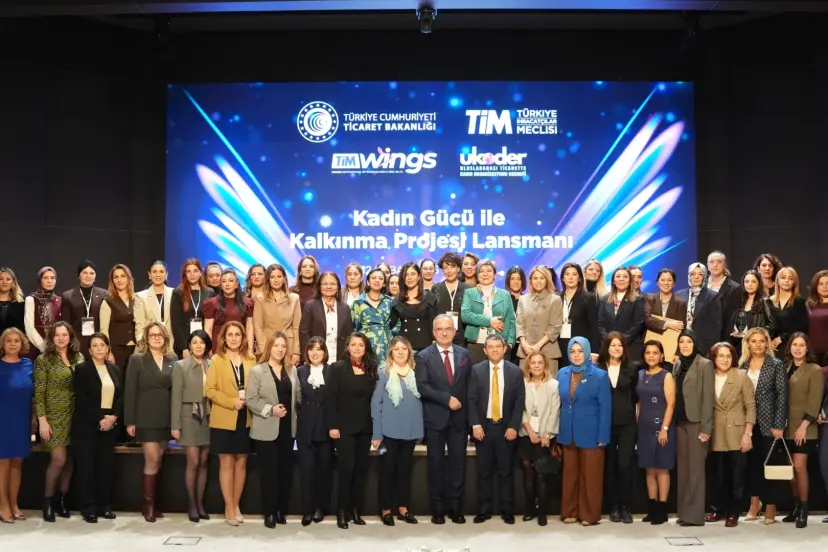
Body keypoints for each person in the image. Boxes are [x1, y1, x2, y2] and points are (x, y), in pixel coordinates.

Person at [415, 314, 472, 525]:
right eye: (440, 329)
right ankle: (437, 509)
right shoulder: (423, 356)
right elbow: (422, 386)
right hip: (435, 419)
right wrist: (446, 399)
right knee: (436, 465)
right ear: (434, 332)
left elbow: (469, 385)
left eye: (448, 328)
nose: (444, 332)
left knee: (458, 465)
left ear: (454, 331)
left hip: (459, 419)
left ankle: (455, 508)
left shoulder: (464, 354)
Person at [467, 334, 525, 524]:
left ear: (504, 348)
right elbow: (471, 400)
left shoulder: (515, 371)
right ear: (485, 350)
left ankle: (507, 511)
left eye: (497, 346)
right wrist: (475, 424)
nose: (494, 350)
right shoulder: (476, 370)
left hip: (506, 428)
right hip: (483, 428)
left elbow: (519, 401)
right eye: (490, 347)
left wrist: (514, 426)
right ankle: (483, 510)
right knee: (483, 473)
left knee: (506, 472)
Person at [124, 321, 177, 523]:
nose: (156, 338)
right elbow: (130, 391)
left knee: (160, 458)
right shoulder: (137, 359)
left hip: (165, 416)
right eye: (153, 335)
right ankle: (148, 505)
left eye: (159, 335)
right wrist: (130, 421)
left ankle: (155, 503)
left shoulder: (173, 359)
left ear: (165, 338)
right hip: (145, 417)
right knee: (152, 459)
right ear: (146, 338)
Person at [247, 331, 300, 528]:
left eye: (283, 346)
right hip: (266, 430)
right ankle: (269, 512)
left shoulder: (292, 370)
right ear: (269, 347)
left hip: (287, 429)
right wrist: (271, 410)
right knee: (269, 474)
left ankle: (280, 511)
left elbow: (298, 396)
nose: (280, 349)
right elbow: (251, 399)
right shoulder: (257, 371)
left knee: (285, 473)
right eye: (276, 345)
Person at [557, 336, 611, 526]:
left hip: (592, 434)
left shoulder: (600, 375)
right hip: (568, 432)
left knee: (590, 477)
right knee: (570, 476)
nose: (576, 355)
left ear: (587, 352)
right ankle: (570, 511)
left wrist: (603, 436)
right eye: (573, 351)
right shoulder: (562, 373)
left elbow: (605, 409)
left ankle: (589, 514)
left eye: (580, 351)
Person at [205, 321, 255, 526]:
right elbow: (210, 390)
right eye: (230, 335)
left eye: (237, 335)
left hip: (246, 417)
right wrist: (231, 402)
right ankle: (228, 507)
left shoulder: (251, 360)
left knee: (241, 463)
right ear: (224, 338)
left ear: (243, 338)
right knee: (226, 463)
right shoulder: (217, 360)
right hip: (224, 417)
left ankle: (236, 505)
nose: (234, 338)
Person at [371, 336, 424, 526]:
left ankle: (403, 509)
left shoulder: (417, 371)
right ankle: (386, 510)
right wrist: (377, 433)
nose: (400, 352)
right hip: (389, 432)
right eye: (396, 349)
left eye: (404, 348)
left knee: (405, 472)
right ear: (390, 352)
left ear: (409, 351)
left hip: (410, 431)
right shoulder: (383, 372)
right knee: (388, 472)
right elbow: (376, 404)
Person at [326, 332, 377, 529]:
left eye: (361, 345)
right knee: (346, 471)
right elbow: (330, 398)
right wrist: (332, 425)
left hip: (365, 428)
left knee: (360, 471)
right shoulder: (337, 368)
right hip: (344, 428)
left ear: (366, 348)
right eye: (353, 344)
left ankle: (355, 510)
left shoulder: (371, 368)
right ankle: (342, 511)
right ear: (347, 347)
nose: (357, 348)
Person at [35, 321, 83, 521]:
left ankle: (61, 501)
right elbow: (39, 393)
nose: (61, 338)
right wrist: (42, 421)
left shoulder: (78, 358)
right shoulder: (43, 360)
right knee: (59, 460)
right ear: (51, 338)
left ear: (70, 337)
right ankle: (47, 502)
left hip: (76, 415)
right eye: (57, 335)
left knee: (70, 460)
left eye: (64, 334)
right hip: (53, 416)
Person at [72, 333, 122, 523]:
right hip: (87, 425)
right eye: (95, 345)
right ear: (89, 350)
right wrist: (100, 419)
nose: (99, 348)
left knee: (105, 468)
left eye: (102, 345)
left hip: (110, 424)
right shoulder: (82, 369)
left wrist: (114, 417)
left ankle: (105, 506)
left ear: (107, 348)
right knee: (87, 468)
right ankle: (89, 508)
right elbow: (82, 397)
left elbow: (120, 396)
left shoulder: (114, 369)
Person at [740, 327, 787, 524]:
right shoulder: (742, 365)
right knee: (751, 465)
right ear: (748, 344)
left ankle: (770, 507)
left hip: (770, 424)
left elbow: (782, 396)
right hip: (748, 424)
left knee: (770, 466)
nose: (758, 344)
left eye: (762, 341)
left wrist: (779, 425)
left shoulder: (776, 364)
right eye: (754, 341)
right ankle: (754, 504)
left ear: (767, 343)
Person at [706, 341, 755, 528]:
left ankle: (733, 512)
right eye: (721, 356)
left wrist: (748, 434)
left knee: (737, 476)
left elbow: (750, 407)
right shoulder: (708, 375)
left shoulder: (741, 376)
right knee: (718, 476)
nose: (725, 359)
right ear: (714, 358)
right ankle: (717, 509)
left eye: (728, 356)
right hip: (716, 433)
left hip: (737, 433)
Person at [780, 333, 822, 528]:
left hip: (805, 427)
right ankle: (796, 506)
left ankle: (804, 509)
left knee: (799, 467)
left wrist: (803, 426)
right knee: (790, 469)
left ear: (807, 348)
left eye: (802, 345)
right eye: (795, 344)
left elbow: (814, 401)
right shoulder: (784, 367)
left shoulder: (814, 370)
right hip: (786, 427)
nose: (798, 348)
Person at [672, 330, 714, 527]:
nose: (685, 345)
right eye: (681, 341)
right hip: (680, 422)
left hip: (697, 423)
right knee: (683, 471)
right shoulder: (677, 364)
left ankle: (695, 516)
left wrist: (706, 428)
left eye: (688, 341)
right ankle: (684, 512)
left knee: (696, 471)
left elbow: (708, 398)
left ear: (695, 343)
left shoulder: (705, 364)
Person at [171, 330, 213, 522]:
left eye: (201, 342)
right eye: (194, 342)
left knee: (204, 462)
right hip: (189, 417)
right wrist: (175, 425)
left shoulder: (213, 364)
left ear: (207, 345)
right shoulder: (181, 366)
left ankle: (201, 504)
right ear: (189, 345)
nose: (198, 346)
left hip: (209, 417)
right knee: (193, 462)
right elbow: (176, 397)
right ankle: (192, 504)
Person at [596, 332, 638, 524]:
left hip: (627, 423)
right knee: (610, 465)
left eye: (620, 345)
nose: (616, 348)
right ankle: (613, 506)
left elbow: (636, 397)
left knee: (625, 465)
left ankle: (625, 507)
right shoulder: (598, 368)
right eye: (613, 345)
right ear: (607, 347)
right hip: (606, 423)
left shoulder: (632, 368)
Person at [518, 352, 560, 526]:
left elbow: (554, 412)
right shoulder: (522, 384)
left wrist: (546, 435)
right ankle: (529, 509)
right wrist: (530, 431)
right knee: (528, 471)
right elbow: (520, 409)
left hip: (545, 436)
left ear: (545, 365)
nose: (536, 365)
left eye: (539, 363)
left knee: (541, 473)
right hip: (526, 434)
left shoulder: (553, 385)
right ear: (528, 366)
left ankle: (542, 512)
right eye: (533, 363)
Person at [637, 340, 676, 525]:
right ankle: (651, 508)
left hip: (661, 427)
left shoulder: (666, 376)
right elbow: (639, 402)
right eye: (648, 352)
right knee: (649, 468)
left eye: (655, 352)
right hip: (644, 427)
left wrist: (664, 429)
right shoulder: (640, 374)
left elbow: (671, 404)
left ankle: (662, 509)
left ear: (661, 355)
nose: (651, 356)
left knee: (662, 468)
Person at [296, 338, 334, 526]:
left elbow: (336, 401)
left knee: (323, 472)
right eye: (311, 349)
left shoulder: (332, 371)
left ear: (324, 352)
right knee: (306, 471)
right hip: (305, 430)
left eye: (319, 349)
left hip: (325, 429)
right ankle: (307, 509)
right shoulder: (300, 371)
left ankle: (320, 508)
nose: (315, 352)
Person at [0, 328, 34, 523]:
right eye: (8, 341)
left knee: (17, 462)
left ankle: (14, 504)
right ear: (3, 344)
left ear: (22, 344)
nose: (13, 344)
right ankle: (3, 505)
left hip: (22, 419)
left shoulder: (28, 364)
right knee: (3, 462)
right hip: (2, 420)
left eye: (16, 341)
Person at [461, 260, 517, 365]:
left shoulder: (505, 294)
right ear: (477, 275)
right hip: (476, 344)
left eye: (489, 271)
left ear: (495, 274)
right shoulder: (469, 293)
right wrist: (489, 321)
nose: (485, 274)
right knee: (477, 374)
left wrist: (510, 343)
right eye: (481, 271)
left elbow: (512, 320)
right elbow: (465, 315)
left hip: (500, 344)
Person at [516, 266, 563, 376]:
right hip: (526, 351)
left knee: (548, 384)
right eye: (535, 278)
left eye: (542, 278)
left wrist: (538, 346)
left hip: (548, 351)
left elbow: (555, 327)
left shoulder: (555, 300)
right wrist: (524, 345)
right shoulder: (523, 299)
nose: (538, 281)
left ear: (547, 280)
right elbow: (519, 324)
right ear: (530, 280)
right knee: (526, 384)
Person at [253, 263, 301, 366]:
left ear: (284, 279)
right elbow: (257, 327)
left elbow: (296, 327)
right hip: (267, 347)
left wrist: (296, 351)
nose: (276, 280)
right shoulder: (259, 298)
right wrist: (264, 351)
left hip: (288, 348)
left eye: (279, 276)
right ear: (268, 279)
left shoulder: (294, 298)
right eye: (272, 277)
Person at [299, 271, 353, 363]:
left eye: (332, 284)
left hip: (340, 359)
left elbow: (349, 335)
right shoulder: (310, 306)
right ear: (319, 287)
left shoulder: (345, 308)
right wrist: (306, 358)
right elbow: (304, 334)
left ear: (338, 287)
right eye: (325, 284)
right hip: (316, 358)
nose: (329, 287)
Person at [61, 260, 108, 359]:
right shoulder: (68, 296)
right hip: (77, 343)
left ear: (95, 276)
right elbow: (66, 324)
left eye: (92, 273)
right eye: (85, 273)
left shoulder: (104, 294)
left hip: (98, 343)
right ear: (79, 275)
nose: (88, 276)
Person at [597, 267, 645, 363]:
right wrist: (609, 342)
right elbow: (600, 323)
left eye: (625, 277)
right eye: (618, 276)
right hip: (607, 348)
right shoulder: (604, 299)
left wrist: (620, 343)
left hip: (629, 347)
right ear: (613, 281)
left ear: (630, 281)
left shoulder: (638, 299)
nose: (621, 279)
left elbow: (637, 325)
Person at [389, 262, 438, 353]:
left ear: (419, 276)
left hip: (426, 347)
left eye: (413, 274)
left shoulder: (429, 297)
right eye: (406, 275)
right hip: (405, 348)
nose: (409, 278)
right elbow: (390, 324)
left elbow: (434, 323)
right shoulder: (397, 301)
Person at [170, 259, 215, 359]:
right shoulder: (178, 293)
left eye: (195, 271)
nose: (192, 274)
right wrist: (184, 348)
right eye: (188, 271)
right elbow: (176, 324)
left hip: (203, 342)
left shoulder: (209, 292)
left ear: (200, 272)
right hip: (185, 343)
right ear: (185, 274)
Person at [203, 269, 255, 355]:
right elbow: (208, 329)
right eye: (224, 281)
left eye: (231, 281)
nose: (227, 284)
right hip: (218, 350)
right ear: (221, 285)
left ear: (236, 284)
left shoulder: (247, 303)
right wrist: (209, 351)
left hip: (241, 348)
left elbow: (249, 327)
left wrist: (250, 350)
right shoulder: (212, 303)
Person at [676, 263, 722, 355]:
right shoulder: (679, 295)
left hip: (702, 347)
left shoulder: (712, 296)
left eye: (700, 274)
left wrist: (711, 350)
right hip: (681, 344)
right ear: (689, 276)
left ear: (704, 276)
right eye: (693, 274)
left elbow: (716, 326)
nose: (696, 277)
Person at [99, 264, 137, 371]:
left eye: (123, 276)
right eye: (116, 277)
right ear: (112, 280)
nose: (119, 280)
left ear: (128, 278)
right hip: (117, 350)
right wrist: (108, 352)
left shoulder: (137, 298)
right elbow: (103, 330)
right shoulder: (108, 301)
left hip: (136, 349)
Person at [351, 268, 393, 363]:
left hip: (386, 345)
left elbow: (395, 326)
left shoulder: (389, 301)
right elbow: (355, 327)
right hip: (365, 345)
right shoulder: (359, 302)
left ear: (384, 283)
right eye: (373, 278)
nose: (377, 280)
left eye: (380, 278)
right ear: (368, 282)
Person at [726, 270, 776, 351]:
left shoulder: (765, 302)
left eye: (753, 281)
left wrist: (755, 335)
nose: (749, 284)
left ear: (759, 284)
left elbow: (772, 325)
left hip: (756, 347)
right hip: (740, 346)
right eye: (747, 281)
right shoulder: (740, 302)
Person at [558, 263, 599, 356]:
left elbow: (594, 328)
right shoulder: (557, 298)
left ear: (580, 278)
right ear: (562, 278)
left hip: (580, 348)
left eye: (574, 274)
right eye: (567, 274)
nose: (570, 277)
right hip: (560, 348)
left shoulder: (588, 298)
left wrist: (594, 352)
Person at [431, 252, 469, 348]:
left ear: (458, 268)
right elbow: (432, 313)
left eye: (452, 266)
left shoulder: (467, 289)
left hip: (461, 337)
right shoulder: (436, 288)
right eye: (445, 268)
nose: (449, 271)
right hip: (441, 336)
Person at [134, 261, 175, 350]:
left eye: (161, 271)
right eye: (154, 272)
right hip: (149, 345)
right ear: (149, 274)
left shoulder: (174, 293)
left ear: (166, 274)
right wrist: (142, 345)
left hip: (171, 344)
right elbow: (139, 325)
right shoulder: (141, 296)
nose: (158, 275)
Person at [768, 267, 809, 355]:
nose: (786, 281)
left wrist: (781, 338)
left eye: (790, 278)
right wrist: (768, 341)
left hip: (791, 347)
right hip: (770, 347)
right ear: (777, 280)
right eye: (783, 277)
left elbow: (802, 327)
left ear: (794, 282)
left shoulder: (800, 302)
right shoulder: (768, 302)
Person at [24, 266, 62, 360]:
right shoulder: (31, 299)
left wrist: (56, 346)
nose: (49, 281)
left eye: (52, 278)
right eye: (45, 278)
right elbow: (29, 328)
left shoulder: (59, 300)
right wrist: (43, 347)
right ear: (40, 280)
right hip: (36, 347)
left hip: (56, 348)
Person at [643, 269, 687, 350]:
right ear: (657, 282)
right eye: (663, 280)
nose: (666, 283)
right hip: (650, 345)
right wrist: (667, 324)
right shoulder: (649, 298)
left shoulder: (681, 303)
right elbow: (647, 320)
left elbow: (681, 329)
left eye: (669, 280)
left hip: (671, 346)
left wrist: (678, 353)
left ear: (674, 283)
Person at [706, 251, 741, 340]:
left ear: (725, 264)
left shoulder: (734, 288)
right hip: (703, 337)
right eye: (712, 262)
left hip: (723, 337)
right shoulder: (701, 285)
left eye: (719, 261)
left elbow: (734, 317)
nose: (715, 265)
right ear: (707, 265)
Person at [505, 266, 526, 365]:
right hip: (507, 342)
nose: (516, 282)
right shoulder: (503, 299)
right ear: (508, 281)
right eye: (512, 279)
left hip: (524, 343)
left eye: (519, 279)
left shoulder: (527, 300)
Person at [806, 270, 828, 365]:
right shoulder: (808, 305)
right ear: (816, 286)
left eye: (827, 283)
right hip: (812, 354)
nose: (825, 287)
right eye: (821, 284)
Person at [0, 268, 25, 335]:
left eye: (8, 279)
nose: (4, 282)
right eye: (1, 279)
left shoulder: (21, 304)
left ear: (13, 282)